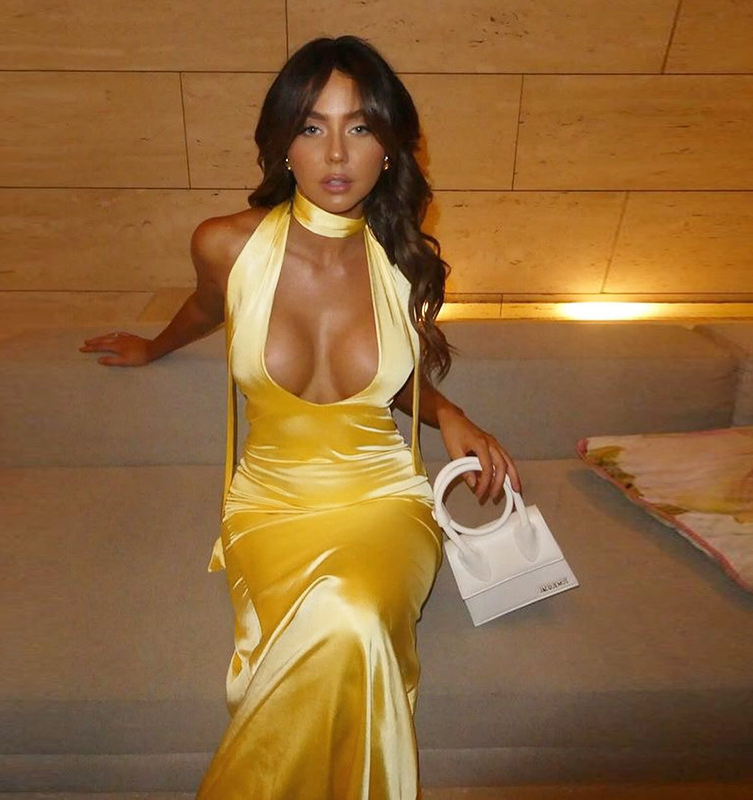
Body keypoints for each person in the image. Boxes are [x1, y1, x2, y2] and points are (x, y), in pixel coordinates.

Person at [81, 35, 520, 800]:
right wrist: (153, 347)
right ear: (283, 144)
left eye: (361, 127)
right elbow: (206, 309)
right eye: (313, 127)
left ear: (390, 148)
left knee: (353, 615)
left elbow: (393, 379)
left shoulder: (401, 259)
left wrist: (451, 413)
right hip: (271, 501)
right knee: (336, 625)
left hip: (382, 495)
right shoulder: (225, 244)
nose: (336, 154)